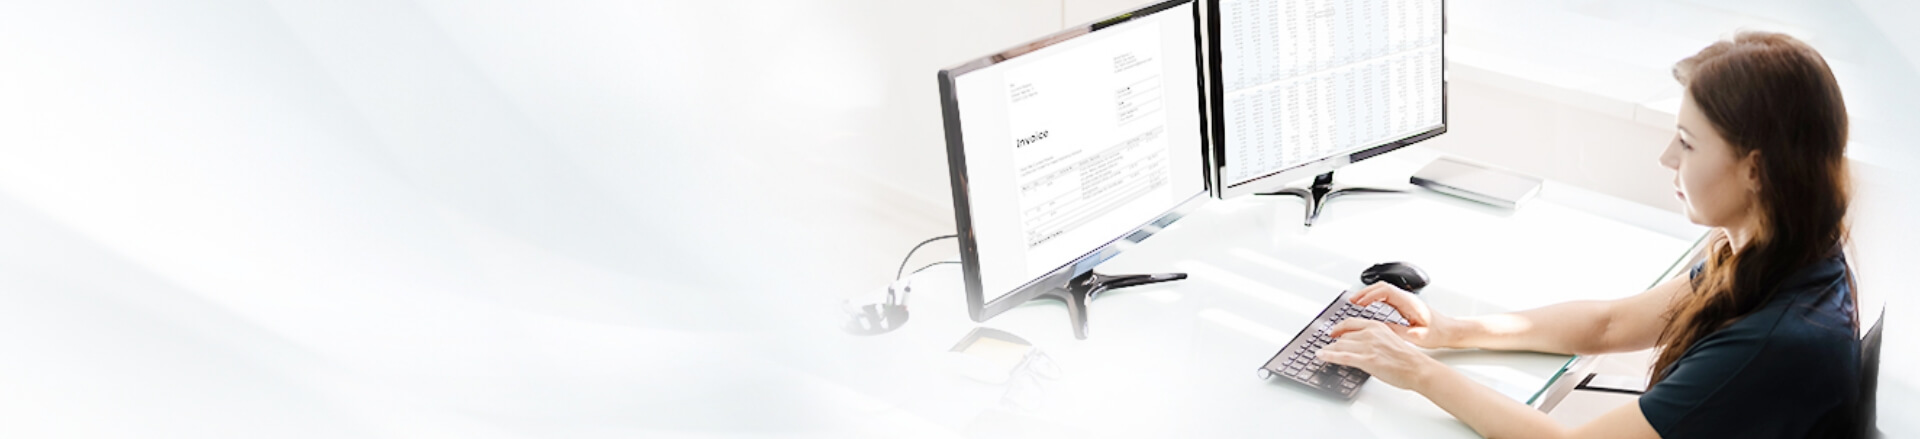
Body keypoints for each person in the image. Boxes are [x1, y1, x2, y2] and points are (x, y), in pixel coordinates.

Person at [1317, 31, 1863, 439]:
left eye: (1687, 143)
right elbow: (1610, 325)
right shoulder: (1782, 252)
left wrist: (1418, 372)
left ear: (1755, 169)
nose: (1666, 158)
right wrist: (1451, 330)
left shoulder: (1773, 345)